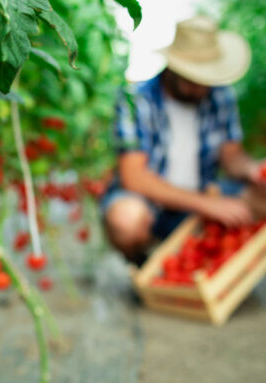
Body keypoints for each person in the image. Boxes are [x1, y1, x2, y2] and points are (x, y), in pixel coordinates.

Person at [102, 16, 266, 266]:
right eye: (194, 79)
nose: (202, 88)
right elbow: (133, 177)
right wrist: (209, 205)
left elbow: (232, 156)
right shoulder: (135, 100)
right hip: (154, 206)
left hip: (203, 195)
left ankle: (218, 260)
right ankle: (144, 263)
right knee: (126, 219)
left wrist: (252, 169)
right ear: (173, 68)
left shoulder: (219, 96)